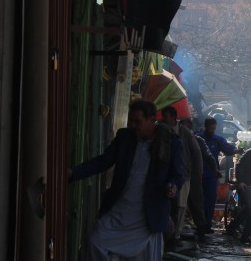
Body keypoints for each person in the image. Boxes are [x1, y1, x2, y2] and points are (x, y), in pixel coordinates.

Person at [69, 99, 183, 260]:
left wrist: (172, 186)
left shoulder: (171, 143)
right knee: (95, 242)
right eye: (131, 121)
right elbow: (103, 161)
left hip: (147, 217)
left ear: (152, 120)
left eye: (138, 121)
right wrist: (73, 173)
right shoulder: (124, 137)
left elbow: (177, 175)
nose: (133, 125)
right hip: (119, 211)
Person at [160, 107, 208, 244]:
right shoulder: (161, 130)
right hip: (165, 174)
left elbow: (196, 153)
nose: (164, 119)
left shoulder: (185, 133)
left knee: (181, 205)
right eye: (163, 116)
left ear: (174, 117)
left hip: (184, 174)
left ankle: (176, 234)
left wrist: (198, 173)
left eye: (166, 116)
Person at [181, 118, 221, 235]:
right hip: (181, 177)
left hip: (194, 177)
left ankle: (202, 227)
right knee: (180, 205)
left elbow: (209, 157)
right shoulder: (176, 139)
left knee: (197, 203)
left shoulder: (198, 140)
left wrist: (214, 170)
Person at [195, 117, 236, 232]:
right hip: (198, 174)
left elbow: (227, 149)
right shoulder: (198, 137)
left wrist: (237, 150)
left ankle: (206, 225)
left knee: (210, 199)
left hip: (212, 175)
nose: (212, 130)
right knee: (198, 200)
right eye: (210, 128)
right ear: (205, 127)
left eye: (214, 128)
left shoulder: (217, 139)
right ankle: (199, 225)